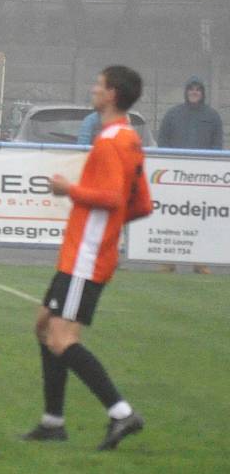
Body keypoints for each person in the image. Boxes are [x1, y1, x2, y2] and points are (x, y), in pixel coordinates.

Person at [22, 65, 152, 451]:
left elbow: (112, 198)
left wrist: (69, 189)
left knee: (61, 339)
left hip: (86, 256)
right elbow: (141, 203)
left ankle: (121, 412)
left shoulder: (111, 142)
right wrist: (110, 225)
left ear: (111, 95)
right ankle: (53, 422)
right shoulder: (129, 138)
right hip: (88, 252)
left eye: (98, 85)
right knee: (44, 326)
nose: (93, 90)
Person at [157, 76, 223, 275]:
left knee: (200, 218)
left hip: (201, 177)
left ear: (203, 93)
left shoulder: (212, 116)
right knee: (172, 217)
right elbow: (163, 141)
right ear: (186, 91)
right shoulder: (173, 114)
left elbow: (217, 144)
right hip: (175, 176)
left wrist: (209, 168)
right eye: (191, 89)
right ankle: (168, 261)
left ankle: (200, 261)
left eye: (198, 89)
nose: (194, 92)